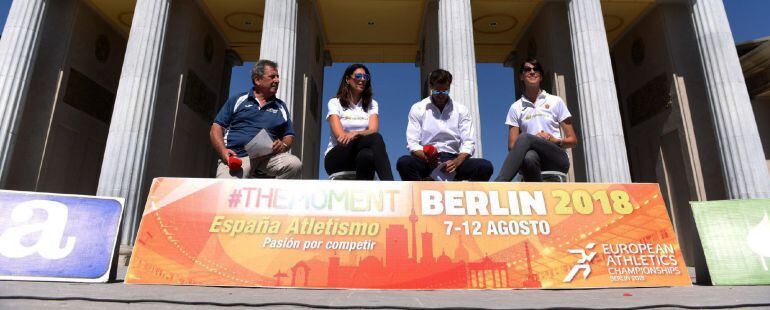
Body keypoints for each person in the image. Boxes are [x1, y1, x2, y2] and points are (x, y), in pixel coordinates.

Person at [210, 59, 302, 179]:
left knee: (294, 164)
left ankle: (269, 192)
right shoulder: (238, 99)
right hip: (238, 157)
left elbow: (289, 135)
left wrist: (283, 145)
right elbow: (216, 128)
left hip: (269, 158)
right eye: (272, 77)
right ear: (257, 80)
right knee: (227, 191)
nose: (277, 80)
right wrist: (223, 152)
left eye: (277, 77)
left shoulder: (281, 106)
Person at [396, 69, 493, 181]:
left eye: (445, 91)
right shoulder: (418, 108)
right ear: (431, 87)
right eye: (437, 91)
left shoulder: (461, 110)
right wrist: (427, 159)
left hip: (454, 159)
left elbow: (469, 142)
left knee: (485, 167)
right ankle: (421, 190)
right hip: (428, 159)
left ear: (449, 88)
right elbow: (412, 143)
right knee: (404, 163)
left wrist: (457, 162)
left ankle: (464, 193)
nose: (441, 95)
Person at [495, 58, 577, 182]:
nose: (532, 72)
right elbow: (512, 146)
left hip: (557, 159)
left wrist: (554, 140)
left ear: (541, 76)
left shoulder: (556, 101)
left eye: (536, 69)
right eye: (527, 69)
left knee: (525, 137)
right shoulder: (515, 107)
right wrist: (533, 141)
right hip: (532, 160)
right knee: (529, 157)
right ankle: (538, 195)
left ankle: (500, 183)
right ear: (521, 76)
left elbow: (573, 140)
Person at [324, 64, 394, 180]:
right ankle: (390, 183)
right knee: (375, 138)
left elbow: (373, 129)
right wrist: (361, 134)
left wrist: (356, 133)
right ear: (348, 79)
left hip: (359, 157)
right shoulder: (335, 102)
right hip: (337, 158)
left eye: (365, 77)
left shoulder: (372, 104)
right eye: (358, 76)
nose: (362, 79)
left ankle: (364, 195)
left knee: (367, 155)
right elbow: (341, 137)